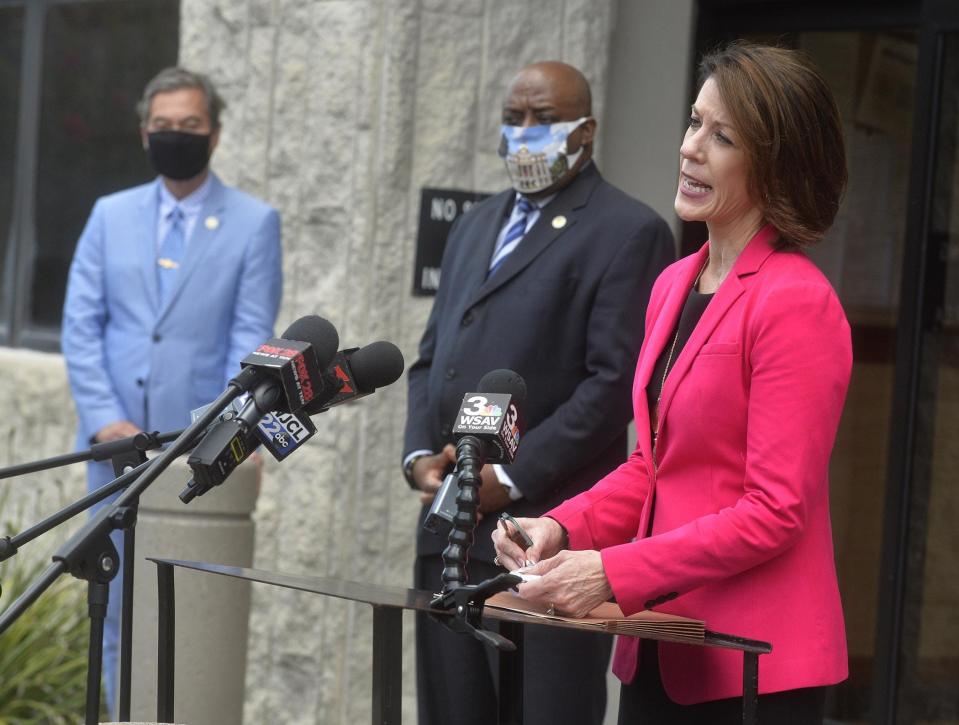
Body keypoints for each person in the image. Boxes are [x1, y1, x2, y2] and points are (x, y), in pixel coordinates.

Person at [493, 42, 851, 724]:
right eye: (693, 122)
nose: (690, 148)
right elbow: (652, 468)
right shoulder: (671, 285)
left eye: (721, 136)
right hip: (659, 642)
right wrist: (560, 525)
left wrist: (611, 571)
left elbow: (775, 508)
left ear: (774, 165)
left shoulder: (795, 301)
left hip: (754, 665)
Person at [403, 60, 674, 725]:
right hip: (450, 530)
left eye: (544, 120)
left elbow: (613, 384)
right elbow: (432, 357)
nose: (525, 133)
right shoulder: (476, 224)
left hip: (549, 538)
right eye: (514, 118)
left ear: (586, 130)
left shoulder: (627, 231)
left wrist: (511, 477)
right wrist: (418, 457)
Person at [61, 66, 282, 715]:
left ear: (213, 134)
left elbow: (252, 344)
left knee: (185, 612)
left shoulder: (253, 222)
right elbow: (81, 327)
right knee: (114, 610)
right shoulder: (109, 215)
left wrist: (215, 438)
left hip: (197, 460)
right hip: (110, 455)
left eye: (189, 126)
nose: (175, 136)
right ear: (143, 133)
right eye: (163, 127)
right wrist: (106, 420)